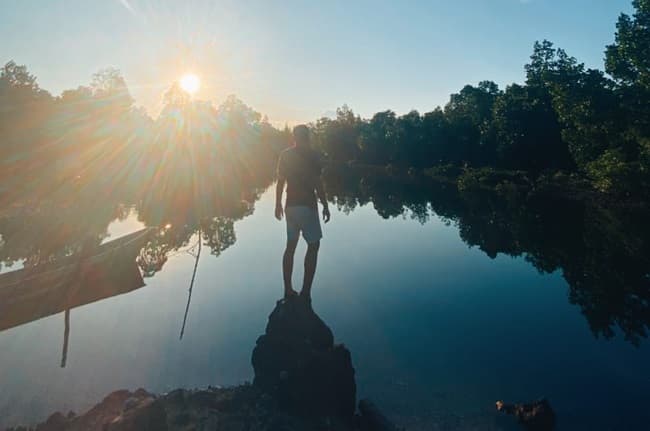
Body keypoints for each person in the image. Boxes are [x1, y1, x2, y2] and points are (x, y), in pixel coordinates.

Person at [275, 125, 330, 301]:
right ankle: (306, 291)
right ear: (308, 137)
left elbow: (280, 182)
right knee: (313, 246)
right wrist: (325, 205)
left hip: (290, 206)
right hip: (308, 207)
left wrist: (277, 204)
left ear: (294, 137)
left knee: (290, 247)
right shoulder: (313, 155)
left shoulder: (285, 155)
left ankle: (288, 290)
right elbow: (317, 184)